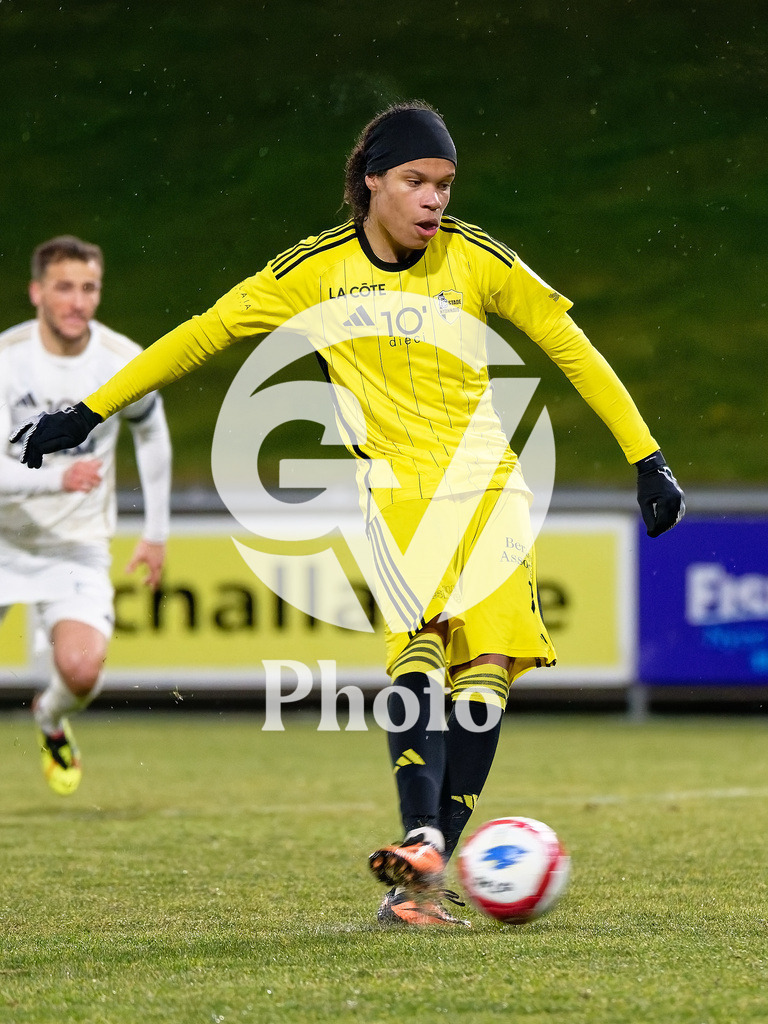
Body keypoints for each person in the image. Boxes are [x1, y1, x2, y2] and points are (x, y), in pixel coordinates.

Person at [11, 105, 683, 919]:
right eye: (416, 183)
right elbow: (203, 333)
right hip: (395, 496)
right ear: (373, 184)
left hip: (494, 491)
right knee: (421, 646)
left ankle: (426, 870)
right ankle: (423, 838)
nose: (435, 201)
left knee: (488, 673)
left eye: (445, 185)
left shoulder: (475, 259)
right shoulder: (317, 270)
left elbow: (568, 343)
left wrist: (646, 457)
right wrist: (87, 411)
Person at [0, 235, 172, 796]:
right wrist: (58, 477)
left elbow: (151, 432)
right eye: (64, 288)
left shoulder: (121, 360)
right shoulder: (7, 360)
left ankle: (48, 718)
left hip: (74, 544)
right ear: (36, 293)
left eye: (89, 288)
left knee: (81, 671)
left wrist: (155, 532)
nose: (78, 301)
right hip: (1, 538)